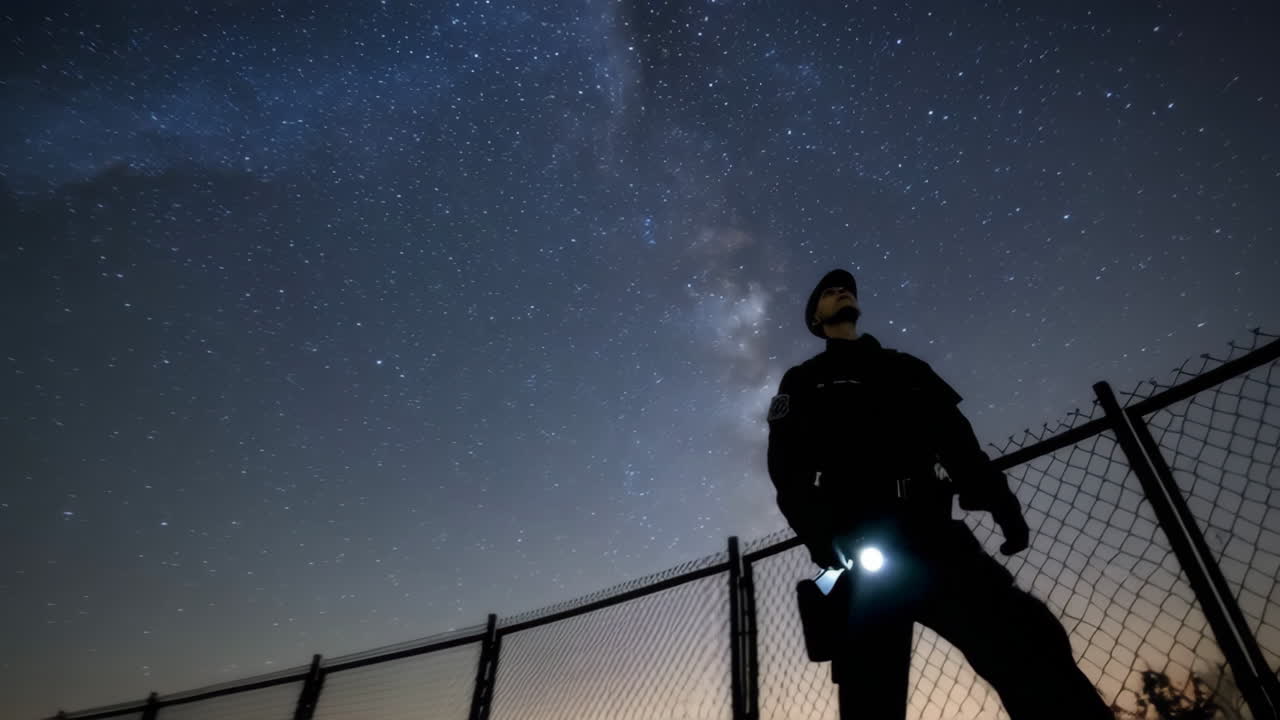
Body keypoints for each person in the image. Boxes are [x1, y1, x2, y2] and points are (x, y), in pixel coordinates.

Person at [766, 269, 1113, 720]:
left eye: (846, 288)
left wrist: (1000, 502)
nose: (840, 291)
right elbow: (787, 471)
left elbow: (958, 444)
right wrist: (821, 539)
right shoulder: (805, 380)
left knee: (1031, 651)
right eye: (828, 293)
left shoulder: (907, 369)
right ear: (816, 317)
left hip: (935, 539)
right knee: (871, 698)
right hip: (862, 551)